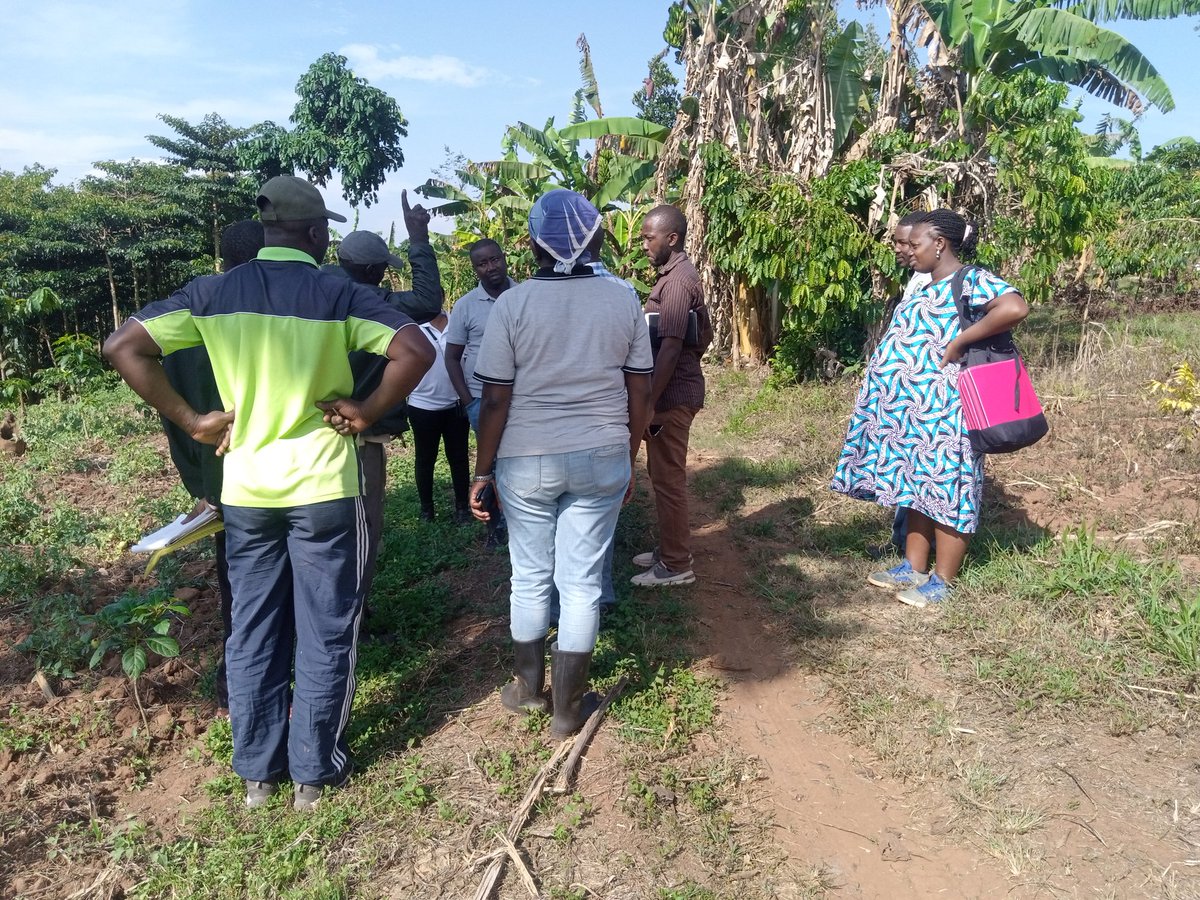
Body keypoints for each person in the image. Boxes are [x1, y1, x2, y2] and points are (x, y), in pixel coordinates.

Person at [103, 176, 435, 811]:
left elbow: (123, 346)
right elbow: (414, 350)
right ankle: (314, 771)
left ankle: (257, 771)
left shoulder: (212, 293)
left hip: (247, 490)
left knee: (252, 629)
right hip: (325, 489)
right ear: (314, 235)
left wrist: (193, 420)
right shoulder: (337, 291)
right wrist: (365, 410)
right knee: (326, 625)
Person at [468, 189, 653, 740]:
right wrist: (629, 456)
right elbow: (638, 393)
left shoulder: (512, 305)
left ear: (530, 245)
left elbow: (496, 399)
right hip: (601, 454)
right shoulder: (623, 299)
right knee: (581, 583)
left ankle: (527, 691)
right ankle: (568, 711)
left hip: (526, 459)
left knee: (528, 576)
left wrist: (482, 472)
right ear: (596, 239)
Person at [830, 209, 1029, 607]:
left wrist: (958, 343)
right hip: (913, 412)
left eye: (915, 244)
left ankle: (943, 581)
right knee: (917, 489)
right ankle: (913, 566)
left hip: (947, 410)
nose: (908, 251)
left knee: (949, 490)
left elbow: (1014, 308)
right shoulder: (924, 283)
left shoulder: (969, 278)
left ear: (939, 244)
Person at [159, 219, 264, 710]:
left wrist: (198, 480)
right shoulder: (261, 310)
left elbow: (171, 413)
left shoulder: (187, 310)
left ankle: (234, 682)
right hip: (273, 476)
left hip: (216, 480)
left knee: (236, 583)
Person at [327, 191, 444, 600]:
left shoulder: (315, 294)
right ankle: (355, 615)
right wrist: (418, 238)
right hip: (358, 432)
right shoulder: (372, 303)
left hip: (307, 432)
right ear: (375, 270)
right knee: (362, 524)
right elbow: (428, 302)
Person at [632, 205, 712, 587]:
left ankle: (677, 564)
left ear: (672, 239)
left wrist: (648, 401)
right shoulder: (671, 277)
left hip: (672, 395)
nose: (644, 244)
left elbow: (671, 347)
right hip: (671, 392)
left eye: (649, 237)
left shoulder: (678, 283)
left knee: (667, 479)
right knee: (662, 475)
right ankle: (670, 548)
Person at [445, 238, 516, 548]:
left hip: (522, 399)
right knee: (490, 465)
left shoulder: (525, 295)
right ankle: (495, 528)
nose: (491, 268)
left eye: (494, 260)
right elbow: (452, 357)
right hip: (482, 401)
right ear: (475, 268)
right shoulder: (465, 307)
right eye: (482, 264)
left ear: (503, 258)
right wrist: (468, 402)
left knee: (518, 462)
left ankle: (521, 523)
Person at [869, 211, 931, 560]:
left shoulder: (938, 283)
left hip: (925, 398)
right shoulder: (917, 280)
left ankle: (913, 548)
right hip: (907, 397)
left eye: (907, 242)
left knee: (920, 475)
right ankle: (903, 543)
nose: (899, 248)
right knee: (909, 473)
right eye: (897, 241)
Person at [407, 308, 471, 523]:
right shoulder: (413, 328)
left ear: (442, 298)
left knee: (459, 458)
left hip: (456, 405)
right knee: (425, 459)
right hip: (422, 405)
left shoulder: (458, 324)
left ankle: (462, 508)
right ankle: (427, 510)